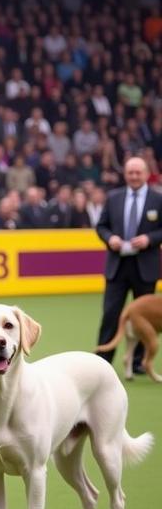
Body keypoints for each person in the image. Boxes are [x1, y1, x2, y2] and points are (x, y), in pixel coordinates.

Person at [95, 157, 162, 373]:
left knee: (146, 318)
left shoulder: (158, 198)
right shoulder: (113, 197)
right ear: (125, 174)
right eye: (130, 172)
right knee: (110, 314)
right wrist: (110, 238)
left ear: (146, 174)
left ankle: (138, 362)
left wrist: (149, 239)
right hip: (117, 266)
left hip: (146, 266)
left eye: (138, 172)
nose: (134, 176)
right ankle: (102, 361)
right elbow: (101, 226)